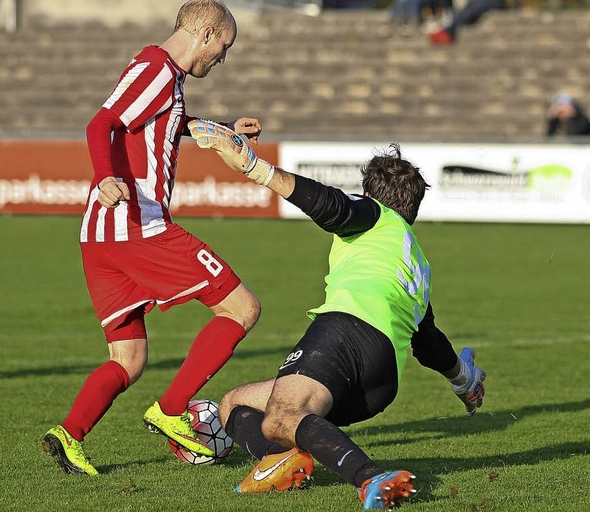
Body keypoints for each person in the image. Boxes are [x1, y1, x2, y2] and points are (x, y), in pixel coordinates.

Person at [188, 121, 487, 510]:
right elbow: (428, 343)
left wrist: (253, 166)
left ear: (370, 195)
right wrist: (464, 380)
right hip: (380, 385)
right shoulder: (416, 263)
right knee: (233, 405)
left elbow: (334, 206)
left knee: (282, 416)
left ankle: (370, 479)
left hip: (346, 334)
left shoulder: (375, 215)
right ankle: (277, 461)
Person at [42, 0, 263, 476]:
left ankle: (69, 434)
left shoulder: (164, 77)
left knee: (129, 357)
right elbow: (101, 123)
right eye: (222, 47)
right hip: (136, 226)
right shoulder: (157, 69)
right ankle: (171, 411)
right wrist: (104, 177)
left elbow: (163, 125)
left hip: (101, 237)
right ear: (204, 35)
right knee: (242, 307)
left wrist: (221, 130)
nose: (221, 58)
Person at [428, 0, 531, 44]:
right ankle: (448, 30)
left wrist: (521, 7)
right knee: (471, 7)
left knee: (476, 6)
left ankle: (447, 31)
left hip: (497, 0)